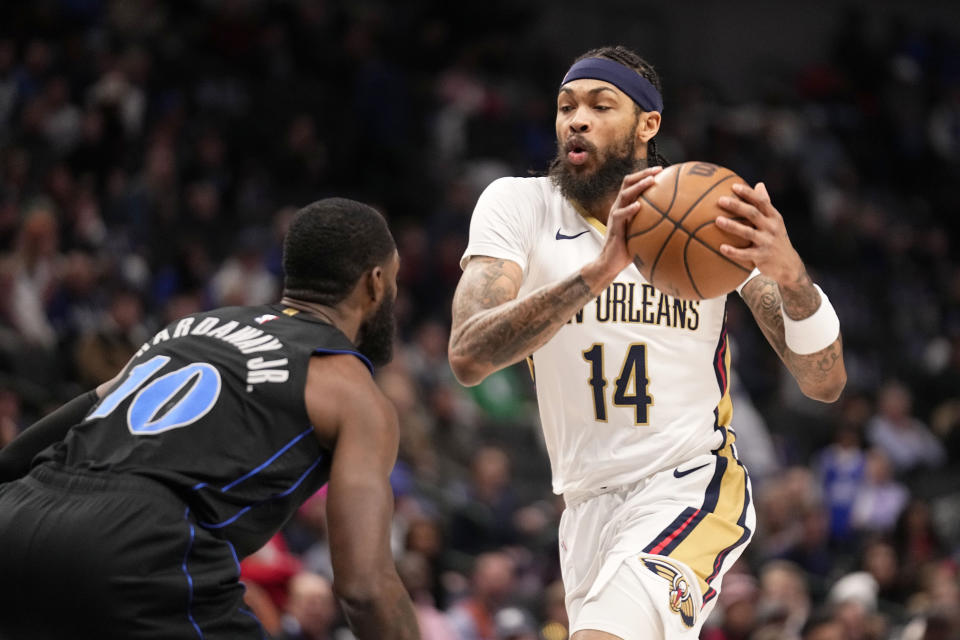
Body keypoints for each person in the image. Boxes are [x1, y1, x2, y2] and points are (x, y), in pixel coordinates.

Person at [449, 45, 847, 639]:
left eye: (599, 104)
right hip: (584, 504)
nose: (575, 119)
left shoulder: (709, 211)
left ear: (648, 124)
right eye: (565, 107)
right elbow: (468, 355)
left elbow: (824, 381)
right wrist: (597, 272)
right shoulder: (519, 205)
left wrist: (791, 276)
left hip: (688, 485)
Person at [0, 198, 420, 640]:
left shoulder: (188, 328)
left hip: (17, 518)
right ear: (375, 283)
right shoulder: (355, 391)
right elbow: (364, 589)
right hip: (138, 542)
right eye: (393, 280)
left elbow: (65, 422)